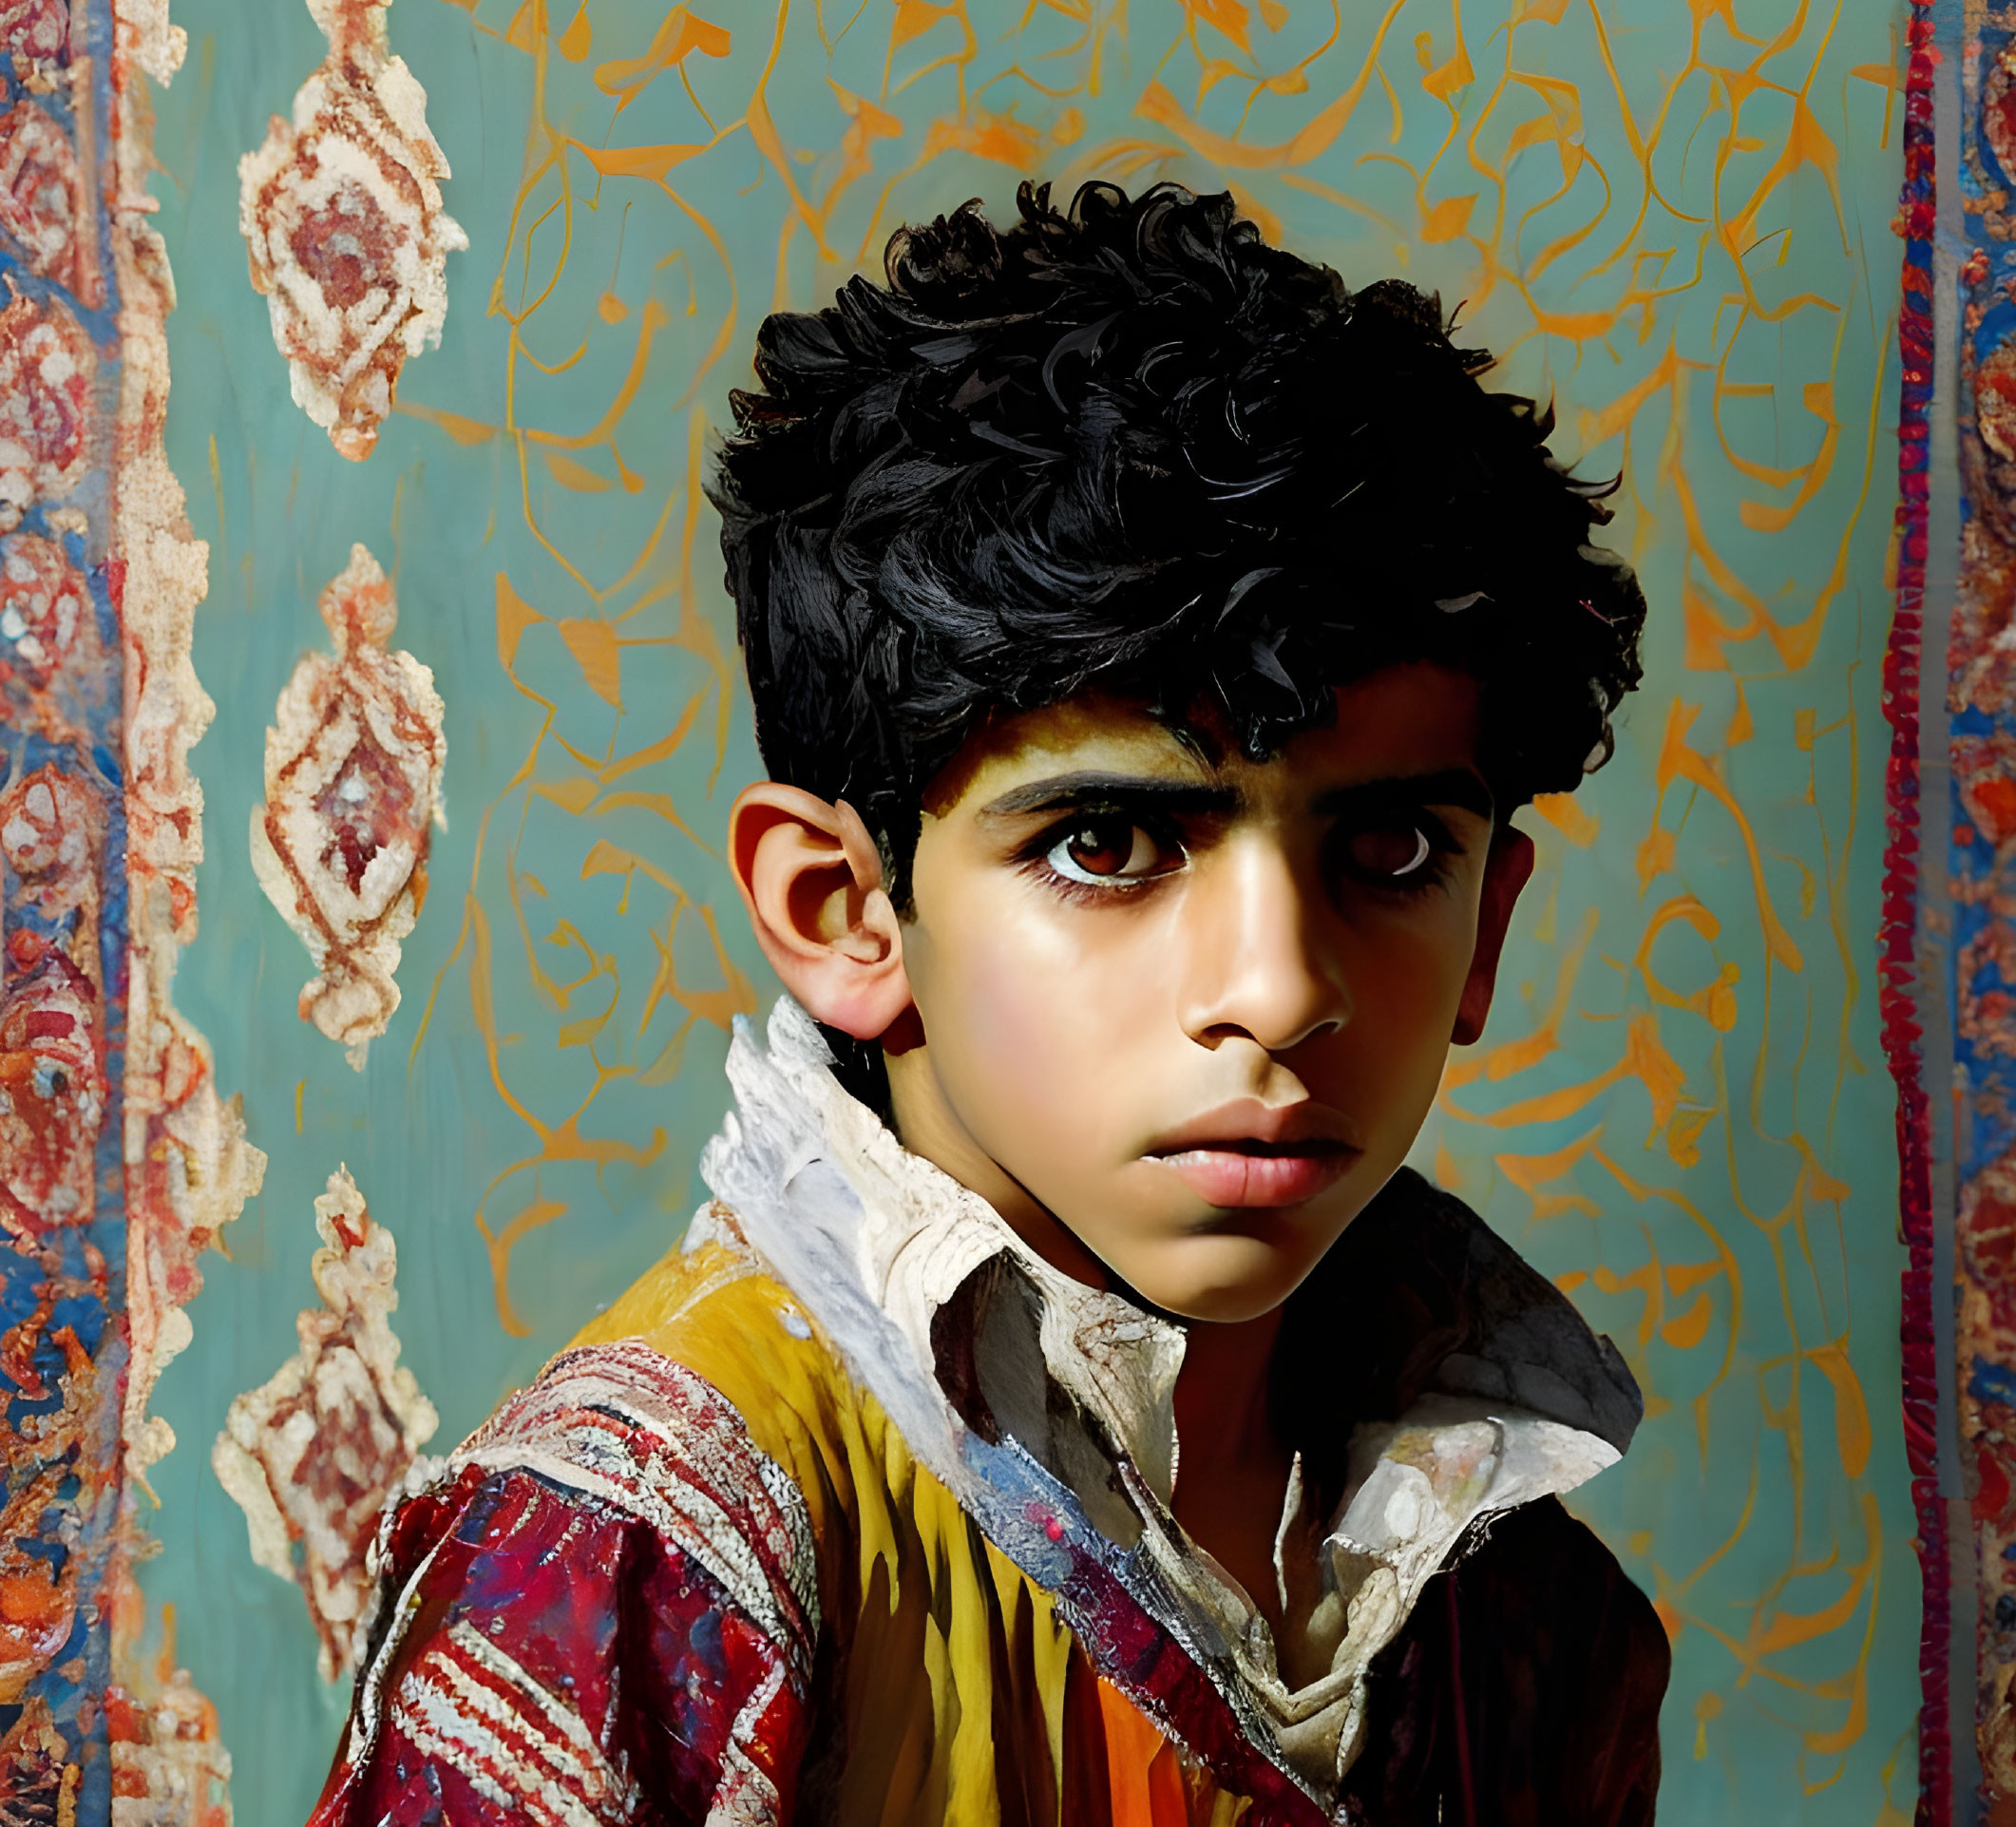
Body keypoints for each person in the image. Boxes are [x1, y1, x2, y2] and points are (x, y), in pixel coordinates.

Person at [309, 180, 1665, 1826]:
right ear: (845, 912)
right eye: (1109, 841)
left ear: (1489, 925)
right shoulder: (646, 1550)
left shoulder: (1517, 1606)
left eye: (1387, 849)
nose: (1282, 988)